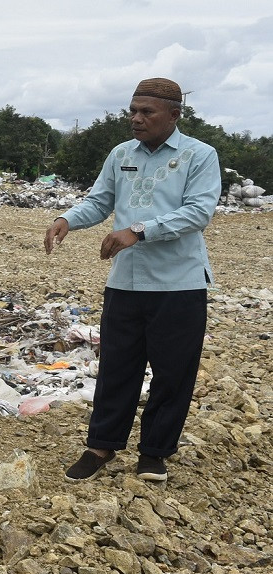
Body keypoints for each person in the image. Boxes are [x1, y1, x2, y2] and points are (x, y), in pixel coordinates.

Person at [44, 77, 220, 483]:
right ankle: (101, 446)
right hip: (126, 283)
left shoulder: (199, 155)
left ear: (174, 115)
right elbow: (100, 200)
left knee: (173, 373)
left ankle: (155, 452)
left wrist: (137, 230)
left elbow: (198, 212)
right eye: (132, 111)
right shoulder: (122, 153)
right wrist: (67, 219)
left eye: (147, 112)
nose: (136, 119)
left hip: (179, 283)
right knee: (117, 368)